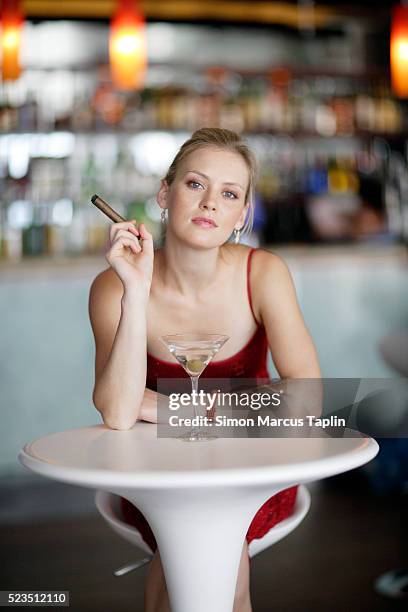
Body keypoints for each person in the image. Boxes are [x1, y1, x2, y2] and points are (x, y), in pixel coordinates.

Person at [89, 127, 321, 612]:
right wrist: (136, 288)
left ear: (242, 214)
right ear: (164, 194)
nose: (211, 202)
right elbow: (115, 410)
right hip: (158, 475)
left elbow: (309, 396)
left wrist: (164, 408)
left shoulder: (264, 273)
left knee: (208, 548)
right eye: (195, 184)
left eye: (229, 193)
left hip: (254, 469)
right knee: (201, 548)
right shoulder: (112, 288)